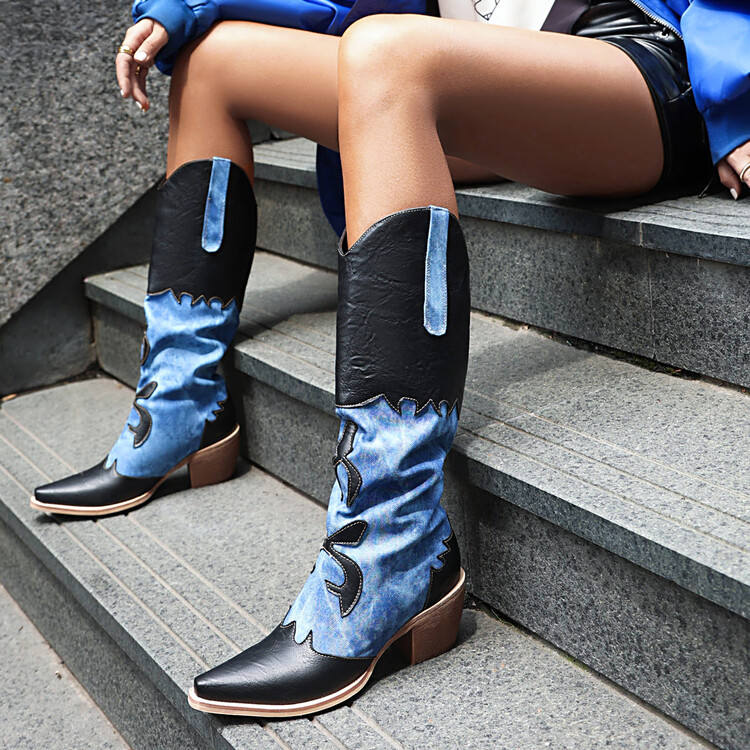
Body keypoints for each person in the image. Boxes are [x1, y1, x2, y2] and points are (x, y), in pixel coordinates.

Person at [33, 0, 750, 718]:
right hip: (477, 76)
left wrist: (739, 100)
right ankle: (182, 404)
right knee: (215, 57)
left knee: (385, 51)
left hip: (634, 68)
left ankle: (395, 547)